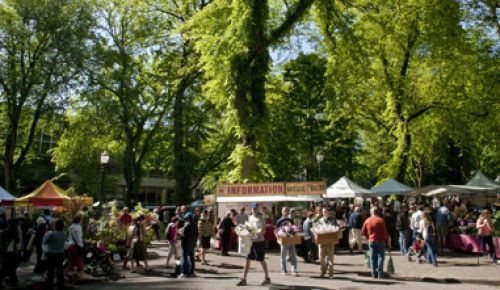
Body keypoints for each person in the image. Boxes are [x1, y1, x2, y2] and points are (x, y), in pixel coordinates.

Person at [236, 203, 271, 287]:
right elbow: (248, 227)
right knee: (247, 259)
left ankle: (267, 277)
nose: (254, 209)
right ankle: (244, 279)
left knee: (261, 260)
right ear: (251, 209)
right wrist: (244, 232)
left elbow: (263, 230)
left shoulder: (262, 217)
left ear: (258, 208)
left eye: (256, 208)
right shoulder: (250, 217)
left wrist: (256, 233)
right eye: (253, 208)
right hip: (250, 242)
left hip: (259, 241)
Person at [362, 207, 390, 279]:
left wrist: (368, 237)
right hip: (380, 240)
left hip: (371, 240)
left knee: (372, 257)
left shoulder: (367, 220)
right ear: (378, 212)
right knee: (381, 257)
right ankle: (380, 274)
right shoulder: (381, 220)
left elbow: (363, 231)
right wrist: (387, 241)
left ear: (371, 212)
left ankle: (373, 273)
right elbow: (384, 232)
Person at [44, 219, 66, 290]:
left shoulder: (52, 234)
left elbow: (46, 242)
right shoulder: (64, 234)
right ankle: (60, 284)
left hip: (51, 254)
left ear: (56, 226)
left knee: (51, 270)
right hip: (60, 254)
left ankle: (49, 284)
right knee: (60, 270)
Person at [276, 206, 298, 276]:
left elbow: (294, 229)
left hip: (291, 240)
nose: (286, 212)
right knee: (283, 256)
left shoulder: (291, 220)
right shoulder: (279, 220)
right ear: (282, 212)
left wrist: (294, 231)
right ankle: (283, 270)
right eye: (284, 211)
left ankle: (294, 270)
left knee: (293, 255)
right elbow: (276, 230)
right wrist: (277, 238)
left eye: (287, 211)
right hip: (283, 240)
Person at [0, 218, 23, 287]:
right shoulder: (14, 231)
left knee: (10, 266)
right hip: (12, 252)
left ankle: (13, 279)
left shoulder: (5, 231)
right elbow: (17, 241)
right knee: (7, 267)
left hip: (6, 251)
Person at [317, 207, 336, 278]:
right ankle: (322, 271)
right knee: (321, 258)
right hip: (321, 242)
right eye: (323, 211)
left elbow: (336, 228)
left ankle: (330, 273)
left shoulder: (332, 220)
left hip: (330, 241)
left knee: (330, 258)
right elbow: (317, 228)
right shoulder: (320, 220)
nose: (324, 212)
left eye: (325, 211)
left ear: (328, 212)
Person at [179, 212, 197, 278]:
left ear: (187, 218)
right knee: (192, 259)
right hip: (192, 244)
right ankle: (191, 272)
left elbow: (183, 235)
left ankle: (183, 273)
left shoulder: (186, 225)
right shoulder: (195, 225)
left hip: (186, 244)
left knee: (184, 258)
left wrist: (180, 232)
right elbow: (196, 235)